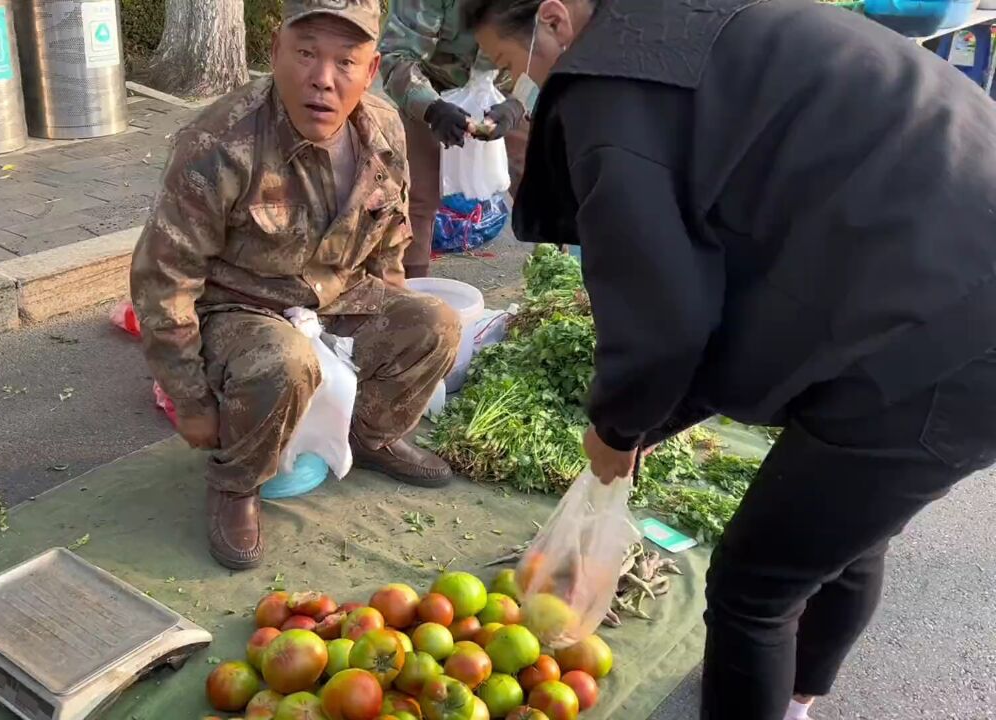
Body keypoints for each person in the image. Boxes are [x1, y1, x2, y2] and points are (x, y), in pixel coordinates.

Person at [462, 0, 996, 718]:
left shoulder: (608, 86)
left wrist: (619, 427)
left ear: (554, 21)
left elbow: (664, 314)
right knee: (842, 523)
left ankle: (780, 695)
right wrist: (654, 419)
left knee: (754, 585)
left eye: (508, 65)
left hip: (946, 329)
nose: (516, 91)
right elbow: (723, 263)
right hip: (933, 270)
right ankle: (797, 696)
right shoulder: (681, 19)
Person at [132, 0, 462, 571]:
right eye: (306, 53)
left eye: (345, 61)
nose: (323, 79)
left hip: (336, 295)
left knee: (434, 324)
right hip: (238, 307)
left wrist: (393, 325)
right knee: (284, 363)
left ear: (372, 66)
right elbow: (164, 277)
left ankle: (372, 435)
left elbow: (390, 241)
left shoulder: (382, 128)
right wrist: (189, 401)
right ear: (276, 51)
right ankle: (237, 482)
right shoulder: (218, 141)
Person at [379, 0, 531, 277]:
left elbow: (548, 55)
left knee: (540, 182)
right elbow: (395, 57)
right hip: (429, 86)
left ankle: (563, 280)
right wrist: (432, 109)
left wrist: (518, 105)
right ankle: (414, 292)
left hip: (507, 87)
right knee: (418, 194)